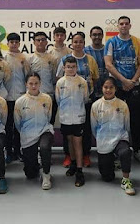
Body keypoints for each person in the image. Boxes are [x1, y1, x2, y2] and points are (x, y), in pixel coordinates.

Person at [104, 16, 140, 163]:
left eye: (126, 24)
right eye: (121, 24)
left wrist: (133, 81)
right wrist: (123, 81)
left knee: (136, 120)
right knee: (116, 120)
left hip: (134, 86)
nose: (123, 26)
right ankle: (115, 151)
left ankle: (136, 150)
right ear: (117, 26)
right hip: (117, 86)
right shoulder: (111, 42)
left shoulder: (138, 42)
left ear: (130, 25)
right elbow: (109, 64)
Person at [56, 32, 99, 168]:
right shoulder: (65, 59)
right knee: (68, 133)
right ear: (72, 44)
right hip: (68, 104)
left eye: (80, 42)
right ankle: (69, 156)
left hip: (85, 100)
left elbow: (95, 78)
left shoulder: (90, 59)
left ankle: (85, 155)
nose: (78, 44)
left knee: (85, 130)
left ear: (84, 43)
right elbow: (59, 79)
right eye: (75, 42)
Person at [90, 77, 135, 196]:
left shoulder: (122, 105)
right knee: (107, 177)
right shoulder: (96, 106)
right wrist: (100, 138)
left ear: (115, 89)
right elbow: (94, 127)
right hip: (104, 141)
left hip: (120, 137)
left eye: (111, 87)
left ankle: (126, 180)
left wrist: (124, 137)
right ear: (102, 88)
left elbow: (127, 125)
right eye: (106, 87)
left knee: (125, 152)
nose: (108, 90)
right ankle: (111, 160)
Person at [14, 73, 54, 190]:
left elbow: (49, 116)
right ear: (26, 84)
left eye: (36, 83)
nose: (33, 86)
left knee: (45, 147)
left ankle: (46, 175)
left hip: (44, 130)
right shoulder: (20, 102)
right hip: (28, 135)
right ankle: (35, 166)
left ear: (40, 84)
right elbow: (17, 122)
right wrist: (25, 133)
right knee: (30, 174)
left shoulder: (47, 99)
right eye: (31, 83)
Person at [55, 56, 88, 187]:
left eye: (73, 66)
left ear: (77, 67)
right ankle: (73, 164)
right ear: (64, 68)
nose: (70, 69)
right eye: (68, 67)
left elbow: (85, 98)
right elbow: (58, 100)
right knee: (69, 141)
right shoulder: (60, 83)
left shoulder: (82, 82)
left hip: (79, 117)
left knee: (78, 143)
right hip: (65, 117)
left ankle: (80, 171)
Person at [4, 32, 30, 163]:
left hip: (21, 97)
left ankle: (18, 151)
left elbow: (28, 78)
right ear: (7, 44)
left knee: (19, 127)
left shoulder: (24, 58)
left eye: (16, 42)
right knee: (8, 126)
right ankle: (8, 151)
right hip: (7, 98)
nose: (14, 44)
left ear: (19, 43)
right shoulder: (3, 58)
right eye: (11, 42)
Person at [27, 32, 58, 124]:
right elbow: (28, 79)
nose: (40, 42)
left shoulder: (52, 59)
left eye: (43, 40)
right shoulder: (30, 59)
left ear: (47, 42)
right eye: (38, 40)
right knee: (34, 120)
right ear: (34, 42)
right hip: (33, 95)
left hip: (49, 94)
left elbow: (54, 77)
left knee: (49, 121)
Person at [84, 26, 109, 102]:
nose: (97, 37)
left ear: (102, 36)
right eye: (94, 35)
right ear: (90, 36)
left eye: (99, 34)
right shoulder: (84, 51)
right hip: (90, 92)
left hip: (107, 90)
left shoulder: (108, 50)